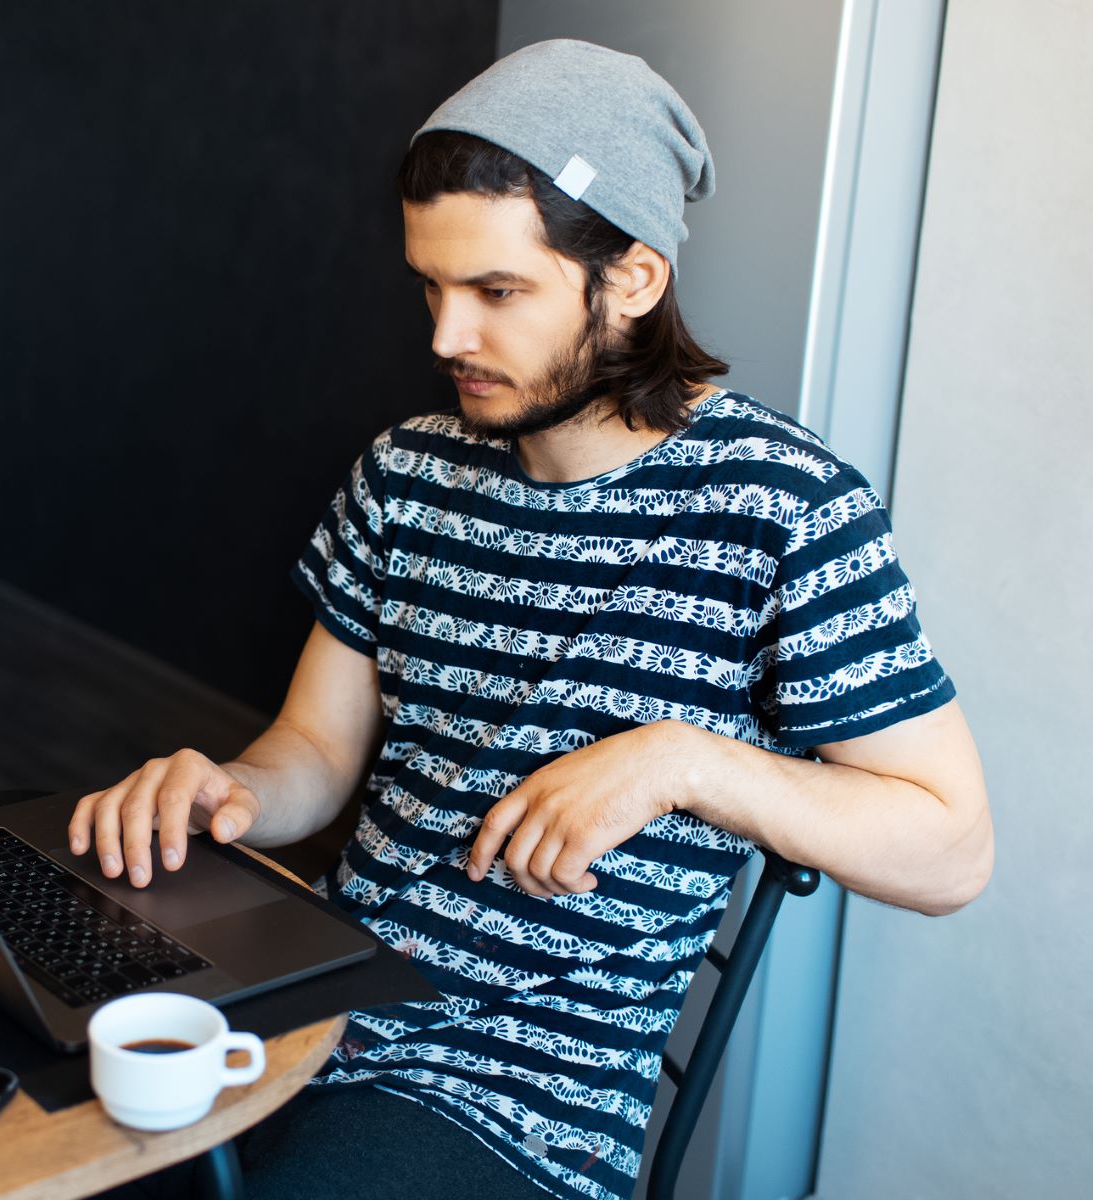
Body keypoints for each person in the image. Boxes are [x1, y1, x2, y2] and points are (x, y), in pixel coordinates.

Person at [69, 39, 993, 1200]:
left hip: (513, 1101)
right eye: (430, 286)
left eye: (498, 292)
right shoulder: (407, 472)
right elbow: (312, 750)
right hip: (304, 1010)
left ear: (636, 279)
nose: (447, 337)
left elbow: (952, 848)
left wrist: (684, 764)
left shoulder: (786, 507)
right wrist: (234, 793)